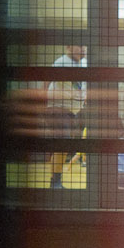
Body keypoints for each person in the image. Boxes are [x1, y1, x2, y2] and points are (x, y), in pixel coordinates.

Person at [46, 44, 87, 189]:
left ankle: (54, 181)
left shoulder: (82, 64)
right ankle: (55, 182)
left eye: (84, 46)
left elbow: (81, 87)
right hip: (58, 109)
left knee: (62, 146)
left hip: (70, 111)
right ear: (68, 47)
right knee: (62, 143)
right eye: (79, 46)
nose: (83, 49)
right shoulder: (62, 62)